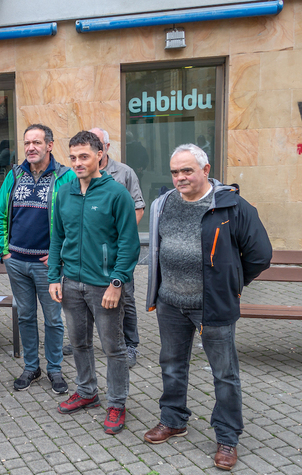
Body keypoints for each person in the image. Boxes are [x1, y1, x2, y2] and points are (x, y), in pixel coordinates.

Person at [144, 144, 272, 470]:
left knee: (224, 374)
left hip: (212, 306)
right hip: (170, 303)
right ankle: (173, 420)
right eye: (175, 172)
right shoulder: (162, 204)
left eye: (187, 170)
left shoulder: (232, 206)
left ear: (205, 168)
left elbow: (259, 255)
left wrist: (231, 284)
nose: (180, 177)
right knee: (172, 365)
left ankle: (227, 438)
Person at [48, 130, 139, 435]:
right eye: (72, 157)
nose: (77, 162)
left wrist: (117, 283)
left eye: (84, 156)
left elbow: (129, 243)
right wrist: (54, 277)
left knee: (114, 348)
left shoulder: (116, 194)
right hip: (71, 283)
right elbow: (58, 238)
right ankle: (87, 392)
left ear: (100, 154)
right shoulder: (65, 193)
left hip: (105, 286)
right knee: (79, 343)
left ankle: (116, 402)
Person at [0, 124, 75, 394]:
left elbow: (74, 222)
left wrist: (58, 256)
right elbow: (0, 214)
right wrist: (4, 251)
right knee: (26, 317)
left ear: (49, 145)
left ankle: (54, 369)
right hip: (17, 262)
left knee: (53, 319)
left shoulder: (65, 177)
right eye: (27, 143)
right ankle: (31, 367)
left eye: (37, 142)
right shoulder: (14, 175)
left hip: (47, 267)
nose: (30, 148)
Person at [81, 127, 145, 368]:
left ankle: (130, 344)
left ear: (105, 147)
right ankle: (84, 340)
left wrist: (120, 235)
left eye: (97, 143)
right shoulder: (78, 173)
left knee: (125, 297)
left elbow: (138, 208)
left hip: (117, 252)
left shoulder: (124, 173)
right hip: (88, 254)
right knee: (85, 296)